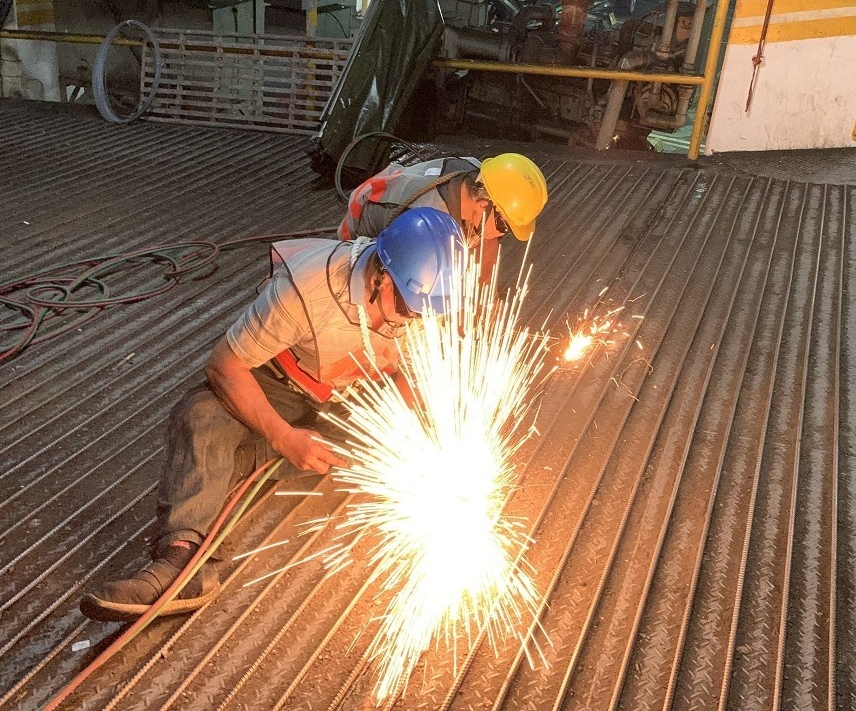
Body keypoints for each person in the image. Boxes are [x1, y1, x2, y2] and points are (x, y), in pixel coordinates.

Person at [79, 207, 465, 622]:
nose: (416, 320)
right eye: (410, 310)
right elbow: (225, 365)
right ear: (381, 277)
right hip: (280, 384)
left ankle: (244, 464)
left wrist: (427, 442)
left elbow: (413, 372)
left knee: (386, 450)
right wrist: (284, 437)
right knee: (203, 417)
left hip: (348, 395)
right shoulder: (309, 288)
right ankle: (181, 560)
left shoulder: (421, 294)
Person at [338, 153, 549, 276]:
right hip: (358, 239)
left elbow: (489, 240)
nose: (503, 233)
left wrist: (485, 297)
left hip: (401, 203)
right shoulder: (426, 224)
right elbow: (414, 289)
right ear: (483, 206)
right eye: (505, 226)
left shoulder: (477, 174)